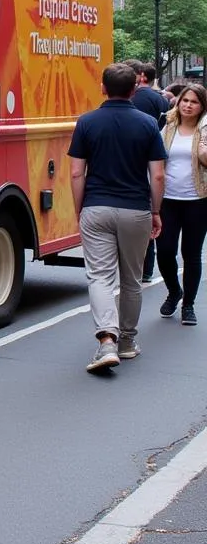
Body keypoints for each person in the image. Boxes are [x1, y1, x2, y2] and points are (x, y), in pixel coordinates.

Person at [68, 62, 166, 372]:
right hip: (136, 208)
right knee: (132, 279)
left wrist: (79, 208)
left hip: (97, 206)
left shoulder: (86, 122)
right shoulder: (148, 124)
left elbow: (75, 172)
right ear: (136, 88)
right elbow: (158, 175)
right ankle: (126, 342)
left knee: (100, 276)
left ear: (102, 87)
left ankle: (106, 340)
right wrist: (155, 211)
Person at [156, 83, 207, 326]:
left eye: (194, 102)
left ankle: (188, 304)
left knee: (191, 254)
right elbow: (154, 158)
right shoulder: (167, 125)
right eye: (185, 100)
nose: (188, 105)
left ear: (202, 106)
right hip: (168, 199)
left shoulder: (205, 129)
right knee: (165, 251)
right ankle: (174, 291)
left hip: (198, 200)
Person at [127, 60, 170, 282]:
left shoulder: (128, 99)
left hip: (128, 161)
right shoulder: (160, 101)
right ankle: (146, 269)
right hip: (152, 158)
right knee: (145, 215)